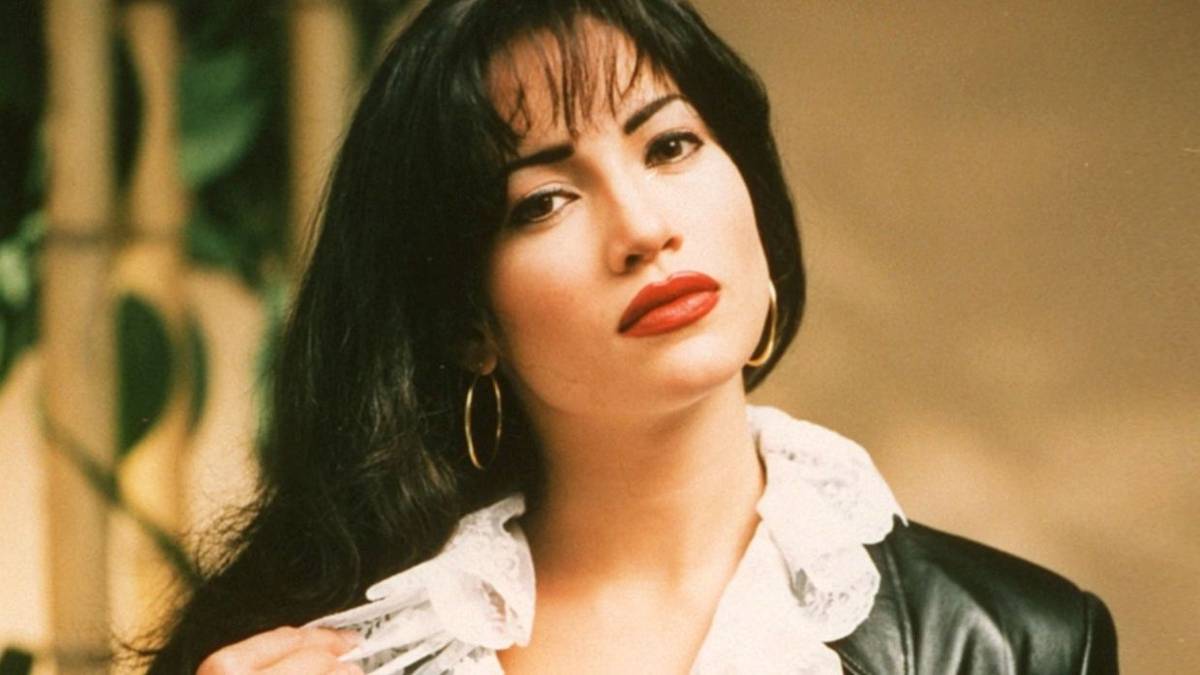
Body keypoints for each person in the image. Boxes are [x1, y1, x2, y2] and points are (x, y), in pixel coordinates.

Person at [146, 1, 1118, 673]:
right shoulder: (347, 649)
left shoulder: (1018, 645)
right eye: (544, 201)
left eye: (670, 145)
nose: (644, 228)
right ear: (467, 323)